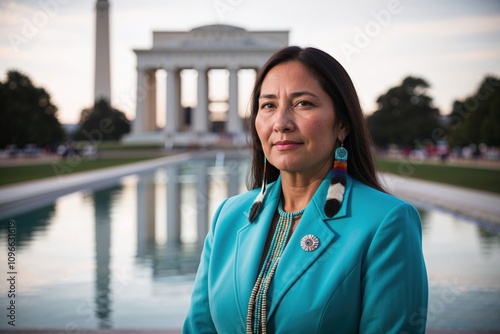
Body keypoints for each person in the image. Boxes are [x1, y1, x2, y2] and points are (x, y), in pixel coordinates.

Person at [183, 46, 428, 333]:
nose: (281, 123)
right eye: (268, 105)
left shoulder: (387, 222)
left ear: (343, 124)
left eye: (303, 104)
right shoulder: (228, 216)